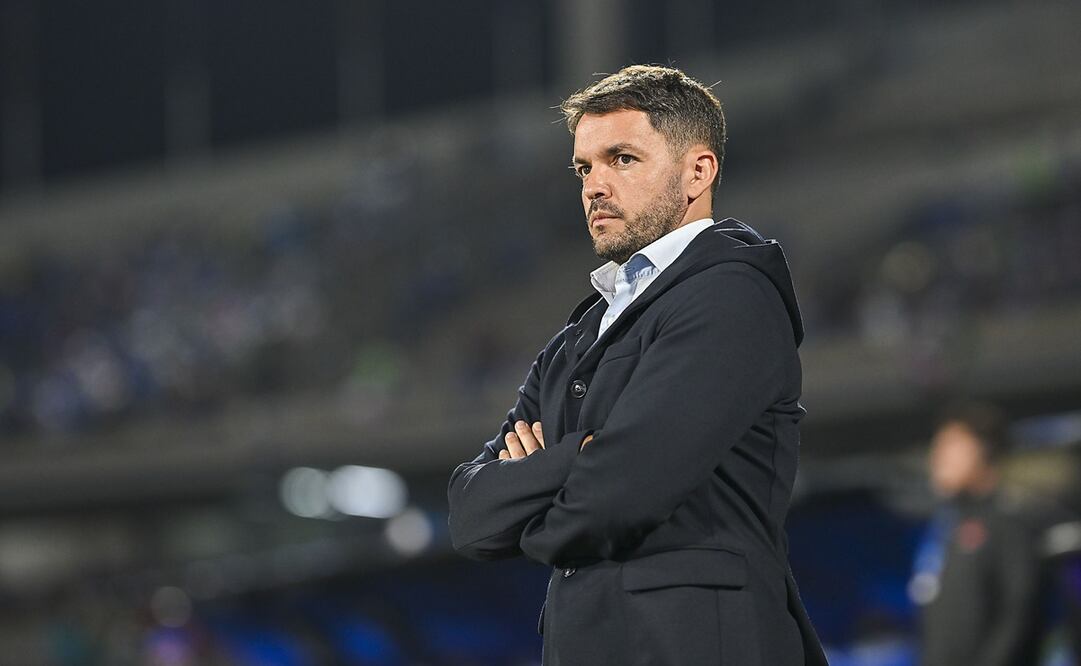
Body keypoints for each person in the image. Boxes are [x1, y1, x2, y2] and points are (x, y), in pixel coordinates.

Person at [447, 65, 827, 666]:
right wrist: (580, 454)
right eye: (584, 167)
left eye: (621, 159)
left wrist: (538, 498)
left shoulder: (730, 298)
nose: (594, 185)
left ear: (697, 172)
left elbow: (617, 498)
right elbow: (471, 519)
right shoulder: (576, 337)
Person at [912, 402, 1046, 666]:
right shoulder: (946, 525)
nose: (938, 459)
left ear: (983, 451)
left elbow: (1019, 612)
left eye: (951, 448)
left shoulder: (1007, 523)